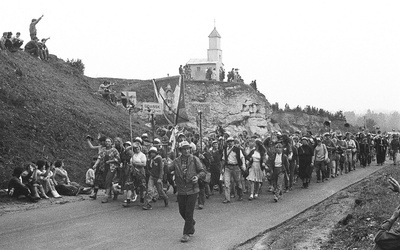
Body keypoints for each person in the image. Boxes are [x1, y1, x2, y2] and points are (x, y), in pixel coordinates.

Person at [168, 141, 206, 243]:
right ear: (180, 150)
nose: (186, 151)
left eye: (188, 148)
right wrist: (165, 163)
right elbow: (168, 169)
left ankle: (186, 233)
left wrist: (197, 177)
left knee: (189, 211)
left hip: (192, 189)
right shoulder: (176, 161)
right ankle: (191, 223)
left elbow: (202, 171)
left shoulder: (194, 159)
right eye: (184, 149)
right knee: (182, 211)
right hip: (181, 190)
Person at [222, 137, 246, 203]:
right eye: (228, 141)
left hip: (236, 167)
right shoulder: (225, 150)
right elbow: (223, 159)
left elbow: (242, 157)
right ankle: (227, 198)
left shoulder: (237, 149)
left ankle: (240, 194)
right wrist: (222, 168)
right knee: (226, 182)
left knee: (238, 182)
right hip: (227, 167)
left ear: (233, 142)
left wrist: (243, 164)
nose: (230, 142)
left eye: (231, 141)